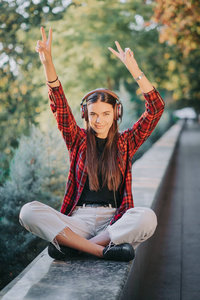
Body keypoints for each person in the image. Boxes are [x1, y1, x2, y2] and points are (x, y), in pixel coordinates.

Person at [19, 27, 165, 262]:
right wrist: (48, 62)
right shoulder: (76, 140)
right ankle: (99, 251)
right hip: (79, 221)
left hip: (114, 223)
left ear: (116, 114)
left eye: (106, 114)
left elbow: (156, 108)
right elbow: (59, 105)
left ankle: (75, 248)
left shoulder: (126, 141)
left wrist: (133, 69)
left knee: (147, 217)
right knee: (28, 212)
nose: (99, 120)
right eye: (94, 114)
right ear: (85, 114)